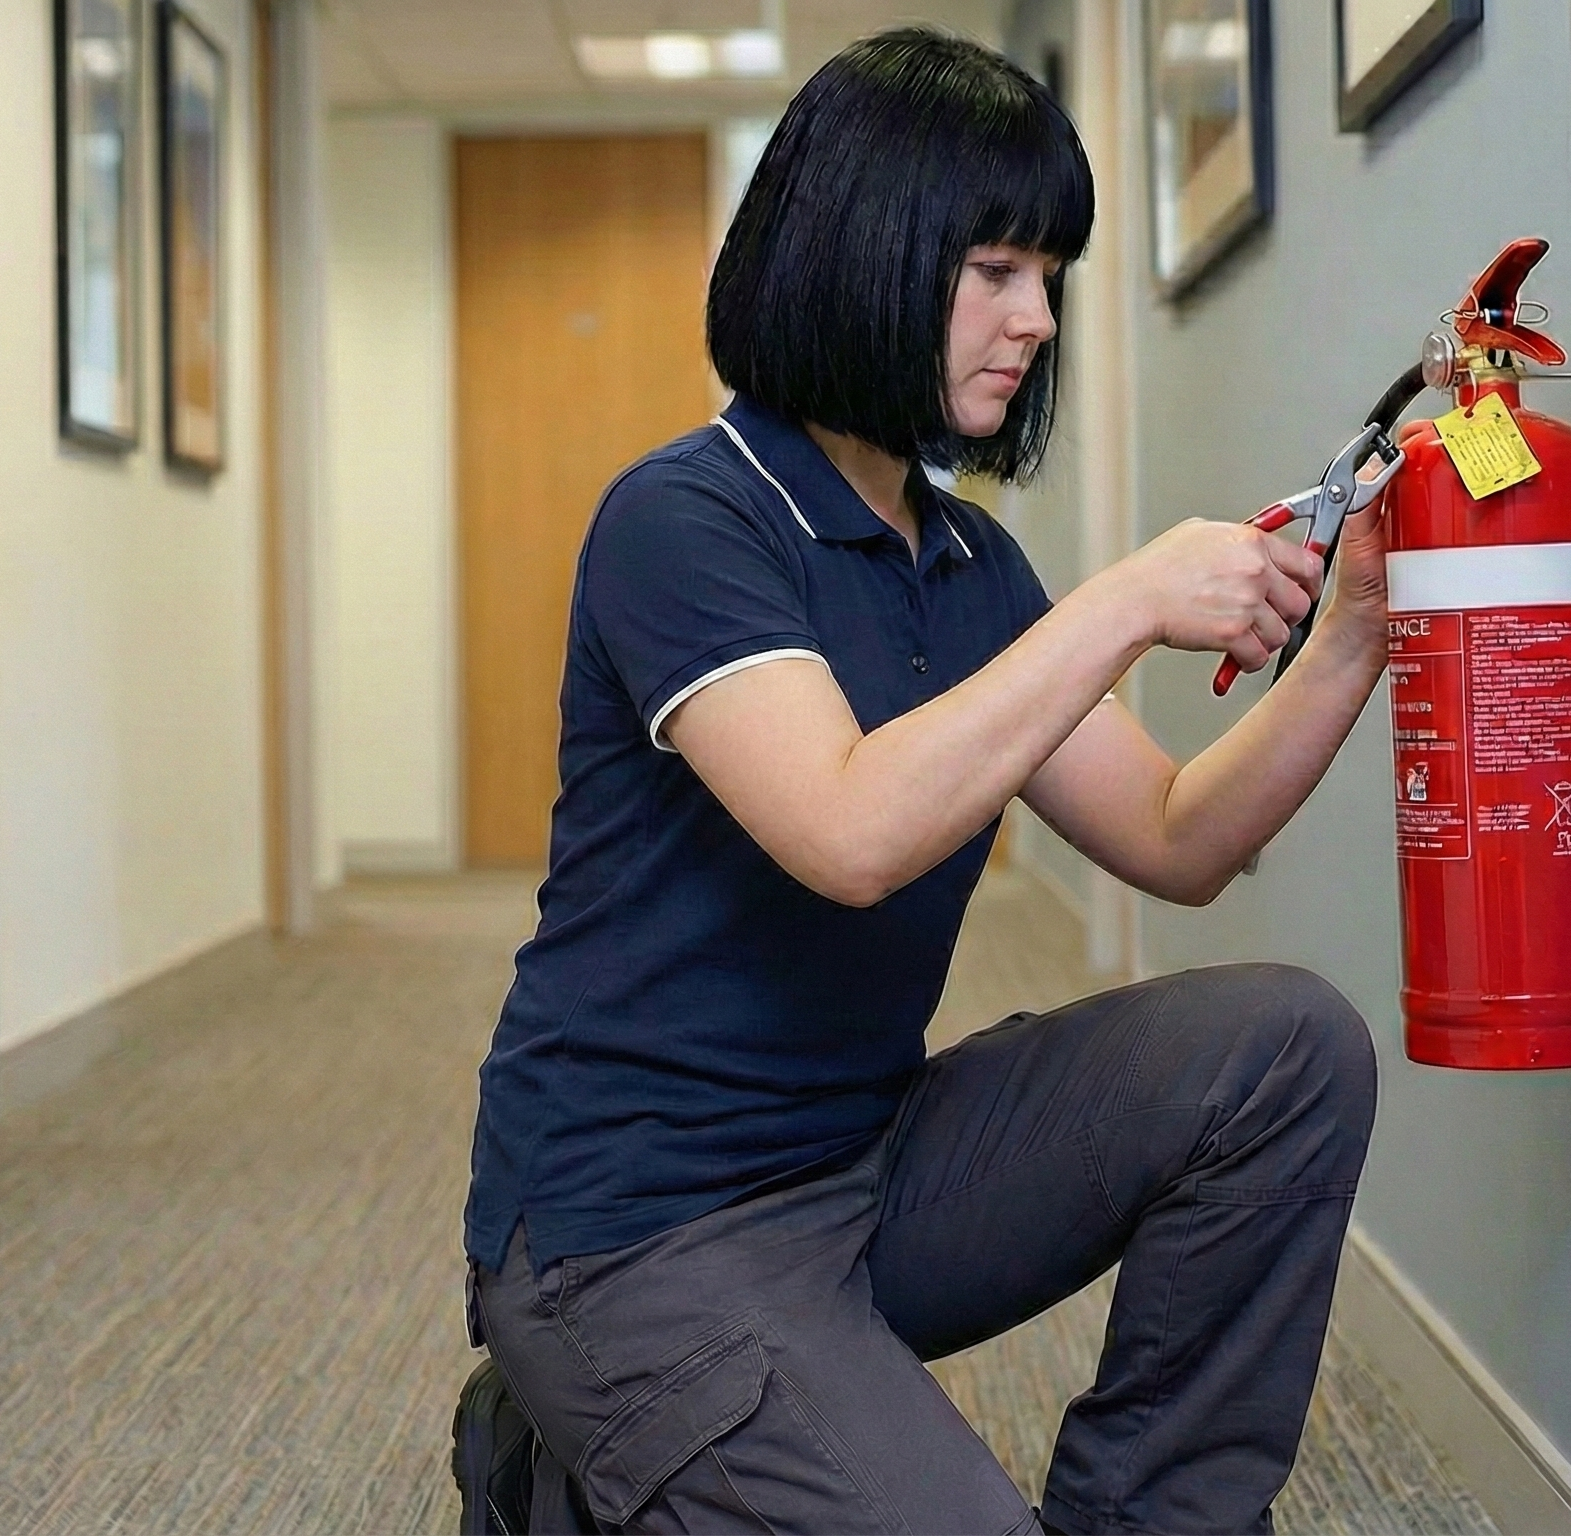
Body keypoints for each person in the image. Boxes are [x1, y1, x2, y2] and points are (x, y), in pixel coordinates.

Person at [463, 28, 1382, 1535]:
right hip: (630, 1236)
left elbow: (1175, 836)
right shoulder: (686, 519)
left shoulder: (964, 565)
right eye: (994, 270)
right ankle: (551, 1457)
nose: (1035, 320)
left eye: (1051, 279)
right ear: (862, 256)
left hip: (865, 1171)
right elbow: (850, 831)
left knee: (1285, 1048)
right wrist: (1129, 599)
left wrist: (1350, 640)